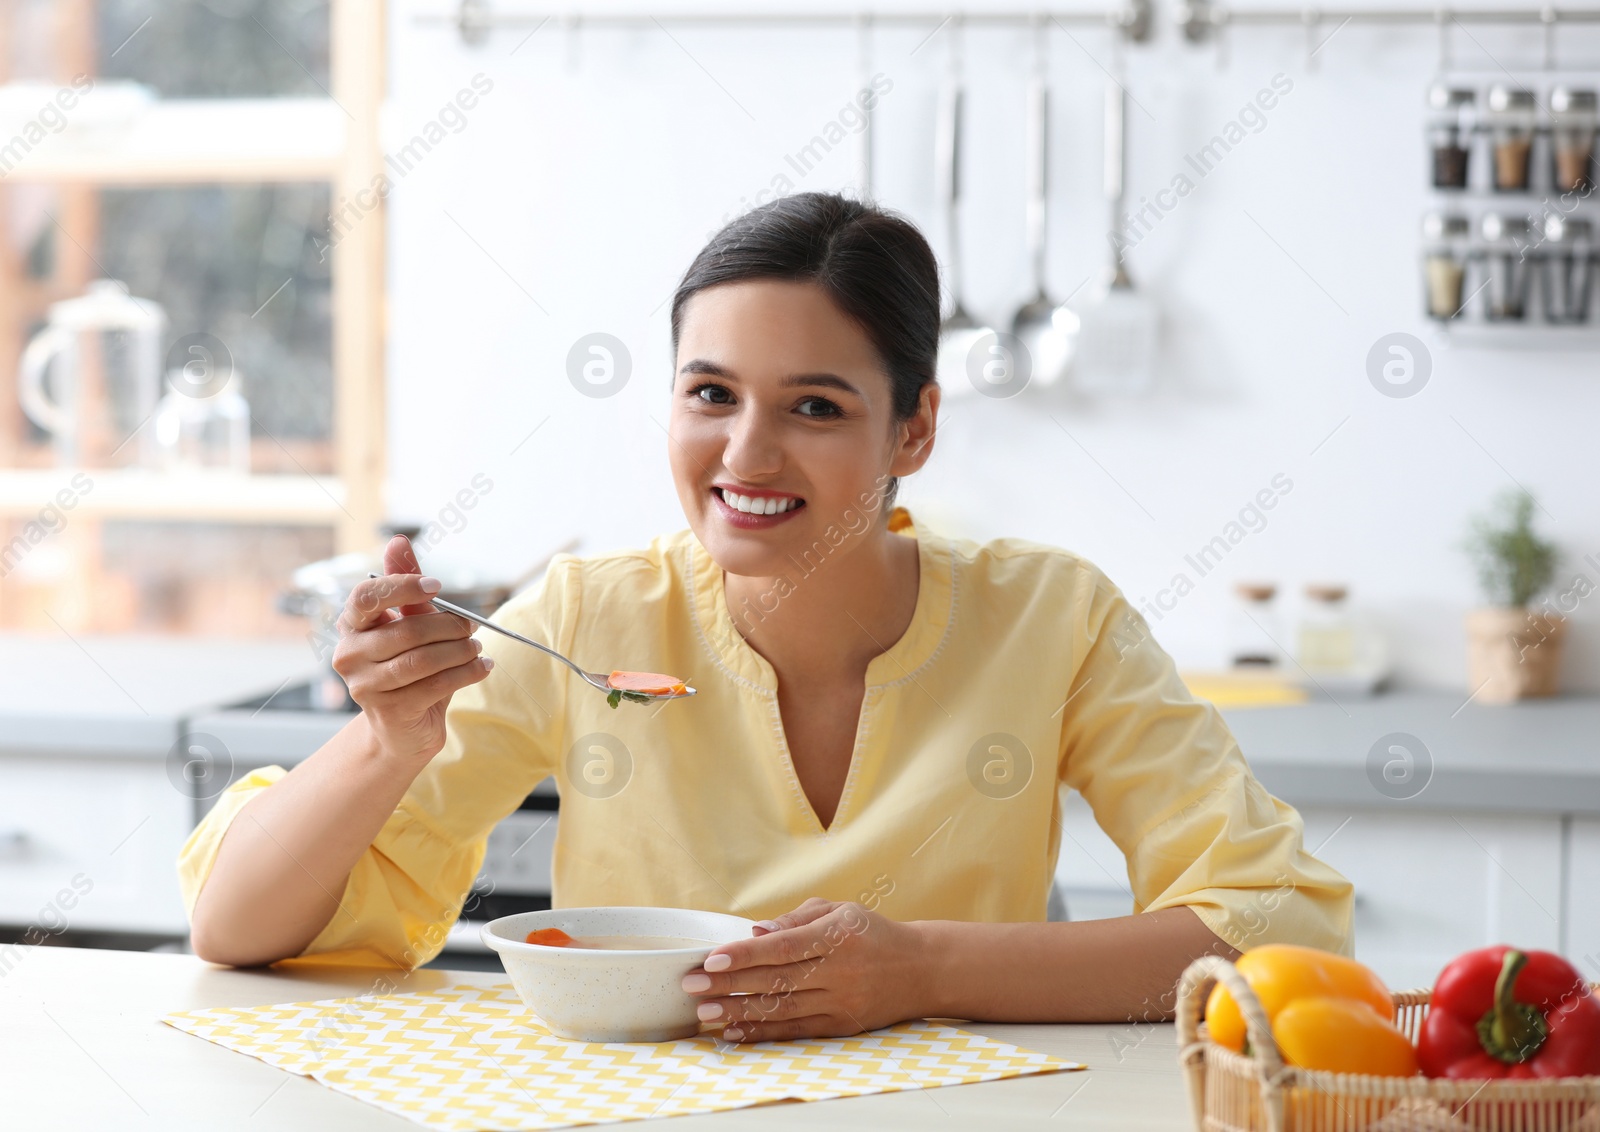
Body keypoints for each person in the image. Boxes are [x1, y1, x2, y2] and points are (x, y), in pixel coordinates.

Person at [181, 191, 1351, 1041]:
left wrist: (921, 966)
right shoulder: (589, 616)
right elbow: (237, 929)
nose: (747, 453)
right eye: (710, 394)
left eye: (815, 406)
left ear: (914, 431)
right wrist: (388, 740)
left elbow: (1279, 934)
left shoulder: (1051, 619)